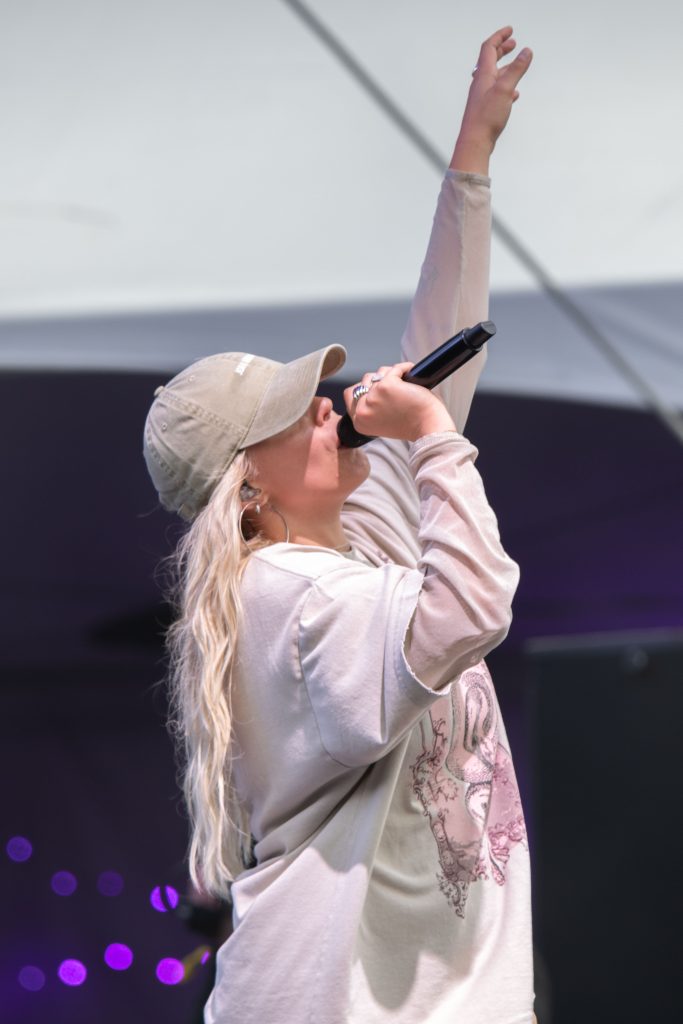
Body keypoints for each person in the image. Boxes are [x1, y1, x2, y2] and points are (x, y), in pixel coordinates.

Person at [143, 25, 534, 1024]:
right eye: (293, 413)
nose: (328, 405)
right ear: (248, 493)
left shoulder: (354, 543)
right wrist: (438, 442)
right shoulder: (291, 596)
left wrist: (470, 160)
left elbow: (435, 337)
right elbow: (467, 609)